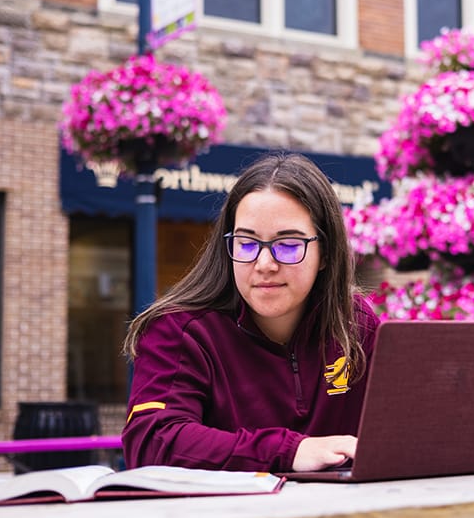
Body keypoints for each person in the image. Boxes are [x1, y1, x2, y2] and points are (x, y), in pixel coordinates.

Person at [121, 152, 379, 473]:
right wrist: (290, 451)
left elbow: (402, 427)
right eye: (246, 243)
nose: (264, 264)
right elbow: (152, 441)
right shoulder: (177, 329)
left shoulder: (356, 322)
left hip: (343, 517)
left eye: (288, 245)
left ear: (325, 253)